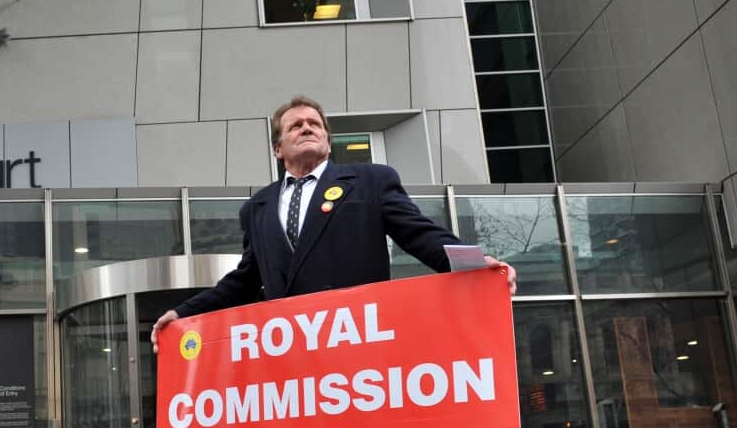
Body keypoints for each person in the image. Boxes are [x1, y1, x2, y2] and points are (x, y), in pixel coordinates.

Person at [152, 96, 516, 350]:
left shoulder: (370, 181)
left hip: (357, 340)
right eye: (295, 125)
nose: (307, 128)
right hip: (291, 349)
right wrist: (183, 313)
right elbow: (244, 281)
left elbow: (421, 235)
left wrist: (476, 263)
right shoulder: (257, 208)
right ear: (278, 148)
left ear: (327, 140)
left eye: (315, 124)